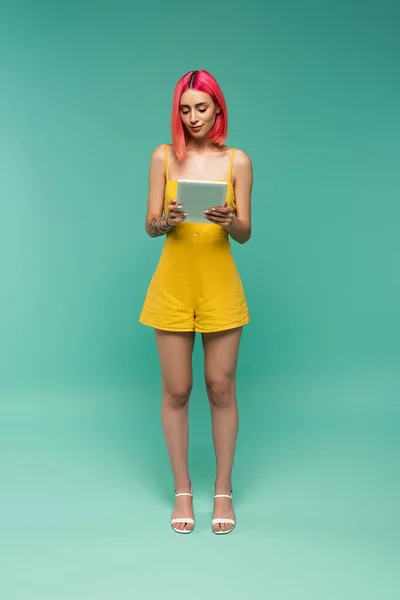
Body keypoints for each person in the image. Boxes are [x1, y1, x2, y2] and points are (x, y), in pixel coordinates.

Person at [139, 69, 253, 535]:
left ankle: (222, 489)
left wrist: (229, 220)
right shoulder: (163, 157)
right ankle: (182, 489)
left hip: (219, 283)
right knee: (177, 390)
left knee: (220, 388)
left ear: (218, 108)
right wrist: (164, 220)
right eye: (184, 110)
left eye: (201, 108)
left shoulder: (238, 161)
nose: (192, 118)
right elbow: (148, 225)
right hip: (173, 283)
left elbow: (246, 233)